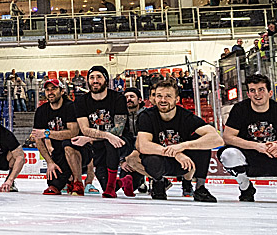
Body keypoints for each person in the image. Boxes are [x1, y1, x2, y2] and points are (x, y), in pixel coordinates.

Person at [219, 73, 277, 203]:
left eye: (261, 90)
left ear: (270, 93)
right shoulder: (240, 109)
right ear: (248, 94)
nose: (257, 94)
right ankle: (246, 189)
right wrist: (256, 146)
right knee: (228, 154)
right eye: (252, 90)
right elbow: (228, 137)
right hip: (250, 158)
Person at [135, 80, 221, 202]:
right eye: (159, 96)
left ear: (177, 99)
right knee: (149, 158)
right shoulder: (147, 116)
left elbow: (217, 139)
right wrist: (176, 153)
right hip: (162, 161)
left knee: (202, 143)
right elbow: (144, 146)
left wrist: (183, 146)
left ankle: (200, 187)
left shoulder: (186, 116)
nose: (163, 100)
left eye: (168, 96)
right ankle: (159, 183)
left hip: (184, 164)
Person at [70, 65, 129, 198]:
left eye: (99, 77)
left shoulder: (118, 98)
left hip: (121, 142)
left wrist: (90, 138)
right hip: (99, 145)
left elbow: (118, 130)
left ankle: (111, 188)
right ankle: (124, 181)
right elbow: (85, 129)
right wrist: (105, 135)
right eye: (92, 77)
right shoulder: (81, 101)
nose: (95, 81)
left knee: (111, 143)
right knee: (103, 180)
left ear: (106, 80)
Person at [31, 79, 81, 196]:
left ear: (62, 91)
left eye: (54, 89)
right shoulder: (41, 111)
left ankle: (77, 182)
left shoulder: (70, 106)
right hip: (58, 152)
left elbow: (73, 133)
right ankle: (67, 180)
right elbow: (38, 137)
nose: (50, 92)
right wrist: (49, 162)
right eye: (47, 90)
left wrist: (47, 133)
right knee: (53, 183)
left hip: (77, 149)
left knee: (67, 146)